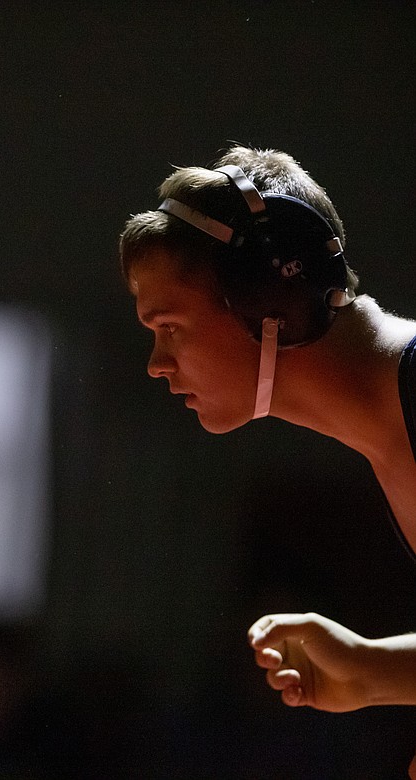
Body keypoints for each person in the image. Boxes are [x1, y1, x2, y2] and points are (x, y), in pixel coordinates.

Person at [119, 145, 416, 771]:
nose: (156, 365)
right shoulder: (391, 423)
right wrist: (373, 672)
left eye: (169, 326)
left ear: (267, 299)